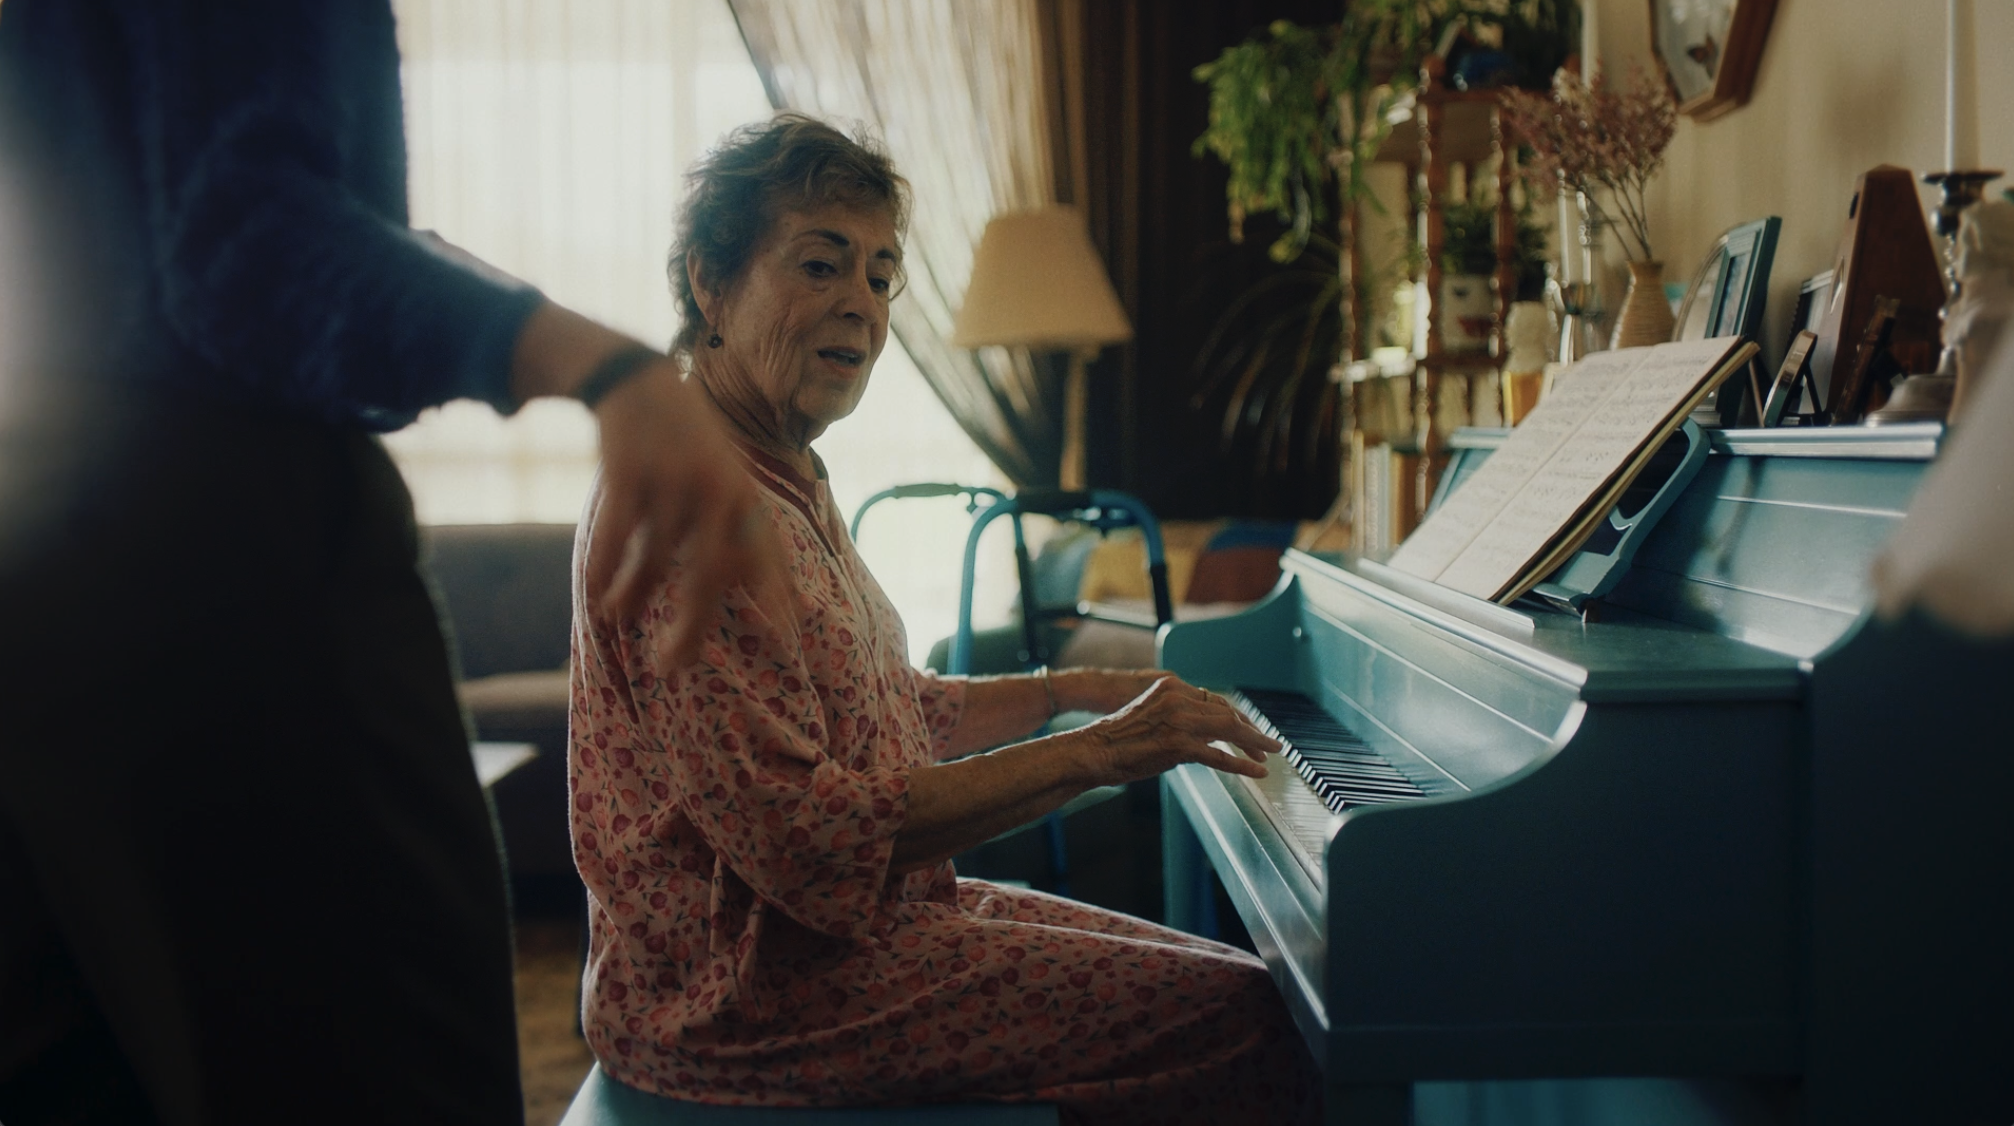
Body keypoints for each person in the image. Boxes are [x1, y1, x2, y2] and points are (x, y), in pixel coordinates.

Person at [0, 3, 777, 1123]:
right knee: (391, 1070)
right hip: (220, 539)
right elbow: (241, 239)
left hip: (42, 524)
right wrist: (599, 364)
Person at [570, 113, 1322, 1125]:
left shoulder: (780, 466)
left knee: (1253, 983)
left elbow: (885, 711)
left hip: (858, 936)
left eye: (881, 276)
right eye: (821, 265)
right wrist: (1100, 749)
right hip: (742, 995)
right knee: (1252, 1020)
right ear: (711, 282)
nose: (862, 304)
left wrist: (1071, 690)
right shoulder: (691, 505)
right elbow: (805, 837)